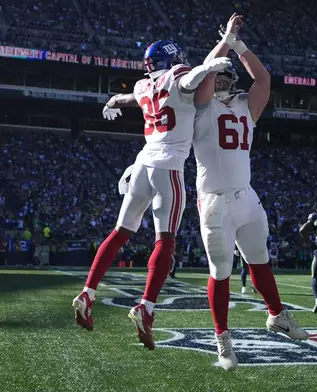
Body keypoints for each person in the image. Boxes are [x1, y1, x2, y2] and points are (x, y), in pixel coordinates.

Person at [72, 39, 231, 351]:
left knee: (120, 232)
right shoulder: (179, 73)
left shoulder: (144, 84)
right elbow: (187, 80)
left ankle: (87, 292)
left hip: (142, 164)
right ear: (171, 58)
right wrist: (207, 67)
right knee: (165, 241)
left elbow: (126, 98)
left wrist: (110, 102)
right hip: (167, 167)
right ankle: (146, 307)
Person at [192, 14, 308, 371]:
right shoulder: (200, 106)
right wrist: (224, 42)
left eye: (227, 76)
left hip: (246, 197)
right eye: (218, 76)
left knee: (259, 260)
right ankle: (223, 339)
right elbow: (203, 76)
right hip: (214, 201)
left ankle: (276, 315)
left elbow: (264, 78)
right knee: (222, 270)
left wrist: (238, 44)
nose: (222, 80)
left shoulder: (247, 106)